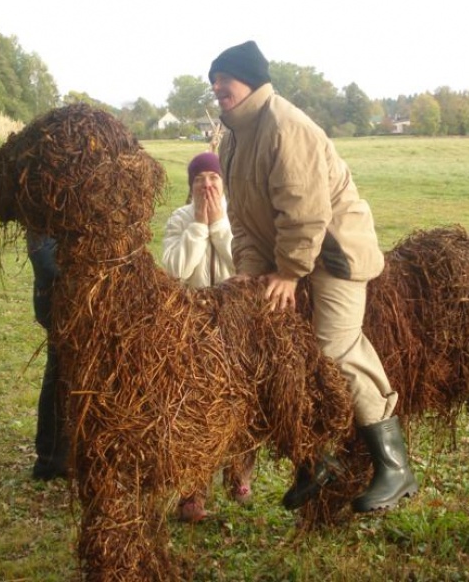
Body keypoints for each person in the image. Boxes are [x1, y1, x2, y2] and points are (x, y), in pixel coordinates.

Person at [208, 40, 418, 513]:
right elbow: (242, 217)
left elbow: (306, 213)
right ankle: (313, 458)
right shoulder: (233, 138)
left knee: (334, 347)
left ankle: (395, 466)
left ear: (250, 81)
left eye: (224, 79)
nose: (217, 87)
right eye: (213, 82)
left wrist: (288, 272)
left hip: (335, 254)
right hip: (292, 253)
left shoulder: (287, 126)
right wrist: (248, 271)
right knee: (270, 342)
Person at [162, 151, 254, 522]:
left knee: (243, 398)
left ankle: (239, 475)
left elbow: (241, 263)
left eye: (213, 177)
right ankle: (192, 493)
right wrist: (199, 225)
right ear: (191, 185)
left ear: (224, 182)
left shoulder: (240, 216)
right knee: (196, 405)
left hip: (236, 320)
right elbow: (175, 270)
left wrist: (218, 225)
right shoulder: (179, 218)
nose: (207, 184)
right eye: (199, 179)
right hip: (193, 321)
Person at [27, 232, 69, 481]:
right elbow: (45, 262)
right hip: (60, 305)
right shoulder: (43, 215)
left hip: (94, 302)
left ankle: (81, 453)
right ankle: (51, 461)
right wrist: (86, 274)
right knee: (60, 376)